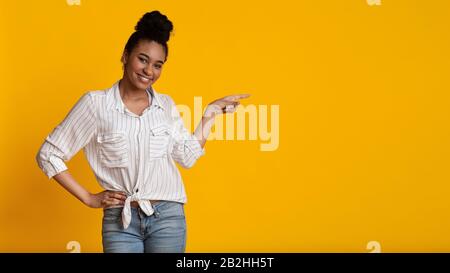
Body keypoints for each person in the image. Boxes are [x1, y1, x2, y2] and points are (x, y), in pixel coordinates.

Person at [36, 10, 250, 253]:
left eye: (158, 65)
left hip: (168, 218)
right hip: (120, 222)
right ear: (125, 56)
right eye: (143, 59)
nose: (149, 70)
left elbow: (186, 156)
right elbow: (48, 155)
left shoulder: (165, 105)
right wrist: (89, 198)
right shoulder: (96, 105)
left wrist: (210, 114)